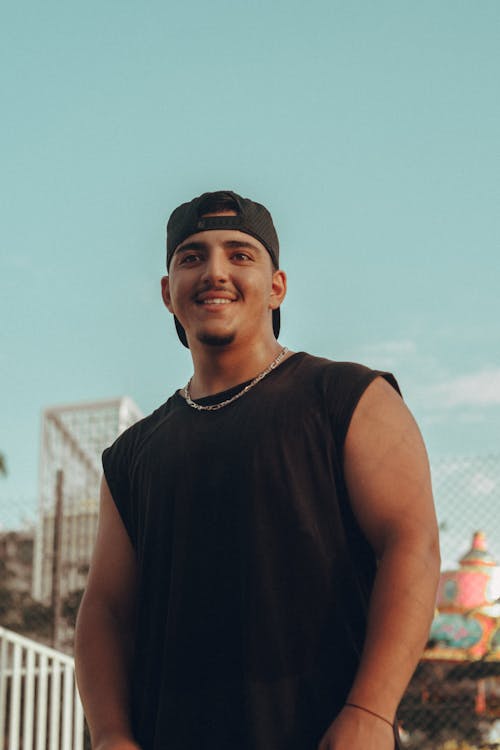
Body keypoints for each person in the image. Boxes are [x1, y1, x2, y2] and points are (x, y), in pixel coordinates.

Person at [75, 190, 441, 750]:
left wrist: (369, 709)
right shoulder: (131, 455)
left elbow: (411, 544)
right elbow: (105, 610)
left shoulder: (348, 396)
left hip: (325, 732)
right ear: (168, 293)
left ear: (277, 286)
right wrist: (110, 736)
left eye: (240, 254)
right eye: (192, 256)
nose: (215, 271)